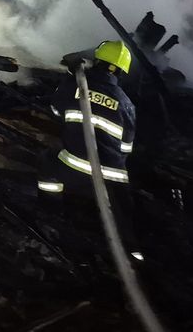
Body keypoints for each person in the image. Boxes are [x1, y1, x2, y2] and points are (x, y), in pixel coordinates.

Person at [37, 40, 141, 259]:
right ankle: (133, 256)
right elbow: (126, 147)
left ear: (97, 62)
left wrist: (69, 76)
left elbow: (56, 110)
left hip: (76, 170)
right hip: (114, 179)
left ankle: (51, 220)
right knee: (125, 223)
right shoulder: (126, 103)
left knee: (48, 164)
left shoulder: (75, 84)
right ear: (121, 71)